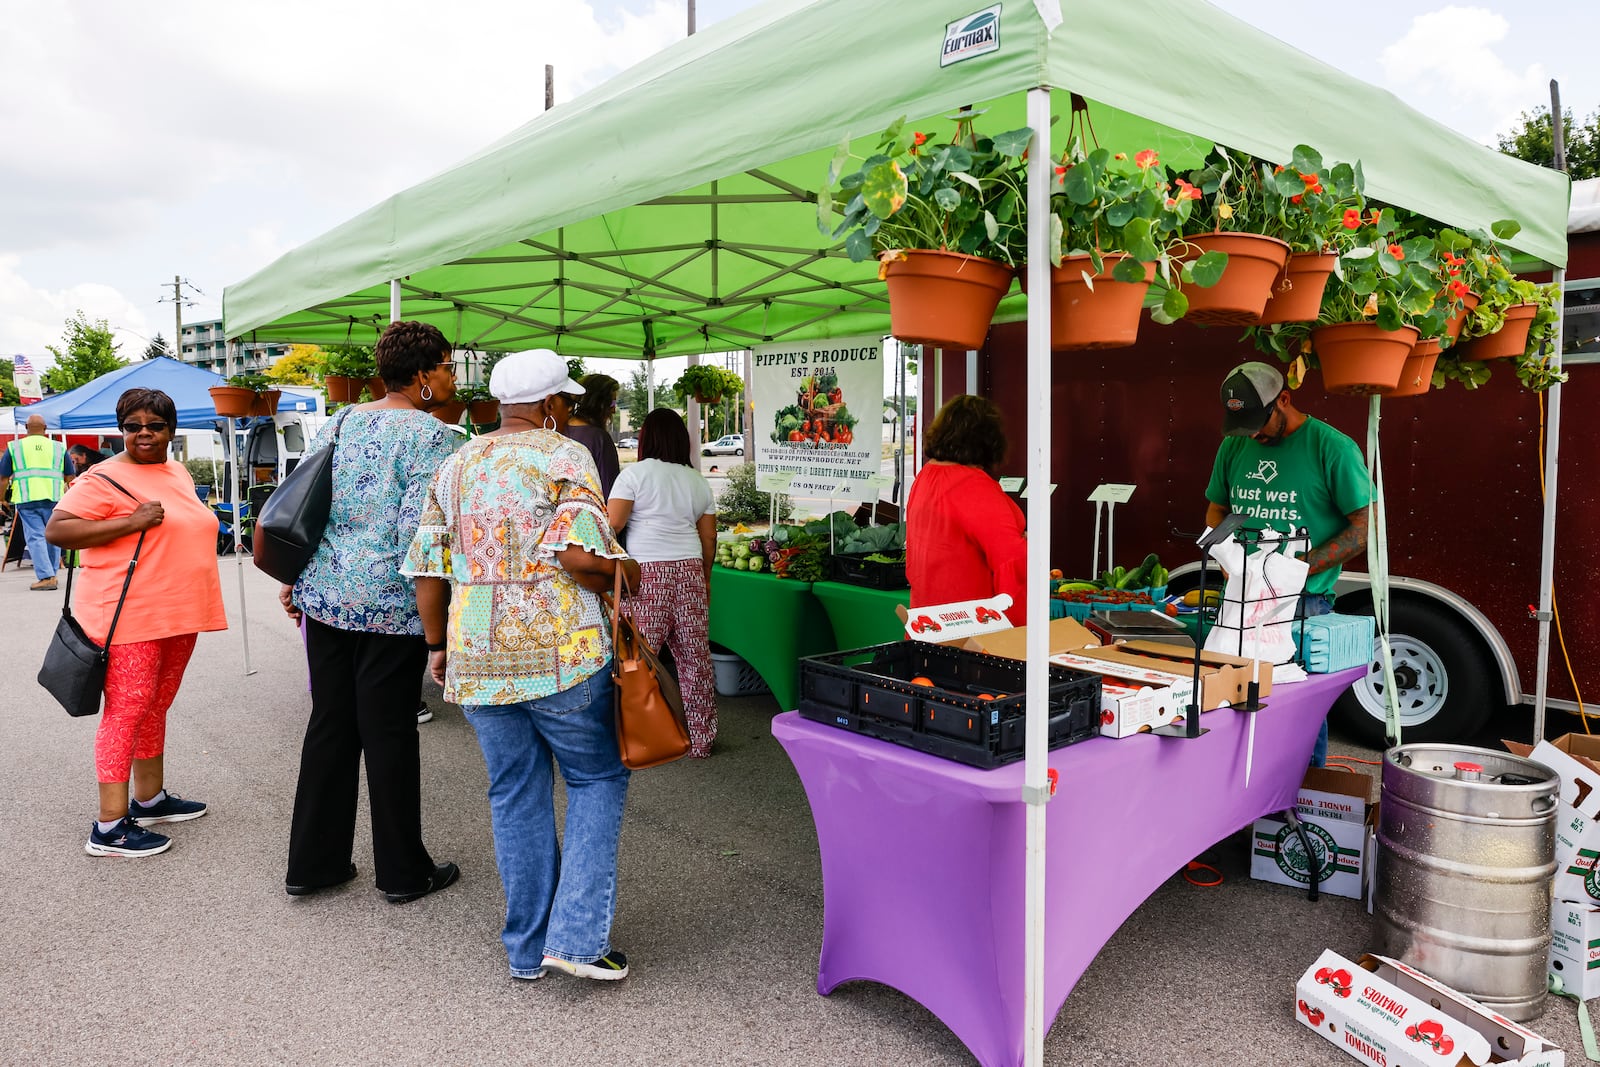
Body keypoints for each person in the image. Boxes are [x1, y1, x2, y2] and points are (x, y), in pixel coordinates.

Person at [403, 348, 640, 983]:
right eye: (563, 400)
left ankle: (528, 949)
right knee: (595, 781)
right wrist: (630, 573)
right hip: (561, 655)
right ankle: (578, 940)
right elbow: (580, 558)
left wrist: (437, 647)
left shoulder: (455, 464)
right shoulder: (564, 455)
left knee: (514, 793)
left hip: (477, 659)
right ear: (550, 407)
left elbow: (429, 568)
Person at [278, 320, 461, 903]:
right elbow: (421, 538)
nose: (453, 376)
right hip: (390, 606)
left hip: (326, 595)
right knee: (388, 736)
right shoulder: (435, 440)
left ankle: (314, 862)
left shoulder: (341, 421)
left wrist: (296, 577)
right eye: (448, 366)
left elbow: (307, 502)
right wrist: (440, 632)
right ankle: (404, 873)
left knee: (330, 725)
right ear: (424, 374)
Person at [45, 388, 227, 857]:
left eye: (155, 425)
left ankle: (150, 799)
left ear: (171, 430)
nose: (144, 433)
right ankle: (108, 827)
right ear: (121, 429)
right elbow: (58, 529)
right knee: (127, 711)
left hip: (177, 612)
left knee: (156, 705)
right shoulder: (102, 477)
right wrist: (130, 522)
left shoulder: (177, 470)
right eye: (133, 426)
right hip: (129, 615)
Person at [1204, 361, 1371, 767]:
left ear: (1284, 400)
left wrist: (1297, 568)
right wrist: (1229, 556)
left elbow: (1365, 527)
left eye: (1259, 422)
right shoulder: (1234, 446)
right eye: (1243, 424)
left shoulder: (1332, 448)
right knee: (1233, 705)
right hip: (1239, 600)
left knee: (1298, 717)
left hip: (1303, 605)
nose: (1254, 434)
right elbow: (1216, 510)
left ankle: (1300, 808)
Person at [606, 408, 718, 757]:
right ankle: (701, 740)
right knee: (694, 658)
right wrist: (705, 578)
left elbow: (612, 525)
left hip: (646, 574)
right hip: (689, 571)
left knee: (638, 657)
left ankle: (640, 737)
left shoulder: (634, 475)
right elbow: (709, 539)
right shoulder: (697, 480)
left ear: (646, 439)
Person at [905, 394, 1028, 626]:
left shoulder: (925, 476)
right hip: (970, 627)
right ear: (988, 440)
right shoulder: (974, 486)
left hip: (929, 621)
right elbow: (1012, 563)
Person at [1, 414, 74, 590]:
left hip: (27, 498)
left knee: (36, 536)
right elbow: (70, 476)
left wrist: (2, 498)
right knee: (52, 535)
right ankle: (52, 574)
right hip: (54, 498)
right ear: (45, 428)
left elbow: (3, 478)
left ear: (26, 428)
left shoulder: (14, 447)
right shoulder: (58, 447)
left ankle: (46, 576)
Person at [561, 372, 622, 497]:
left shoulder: (558, 430)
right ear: (598, 403)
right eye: (612, 404)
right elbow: (610, 489)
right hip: (588, 512)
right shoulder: (600, 439)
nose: (614, 410)